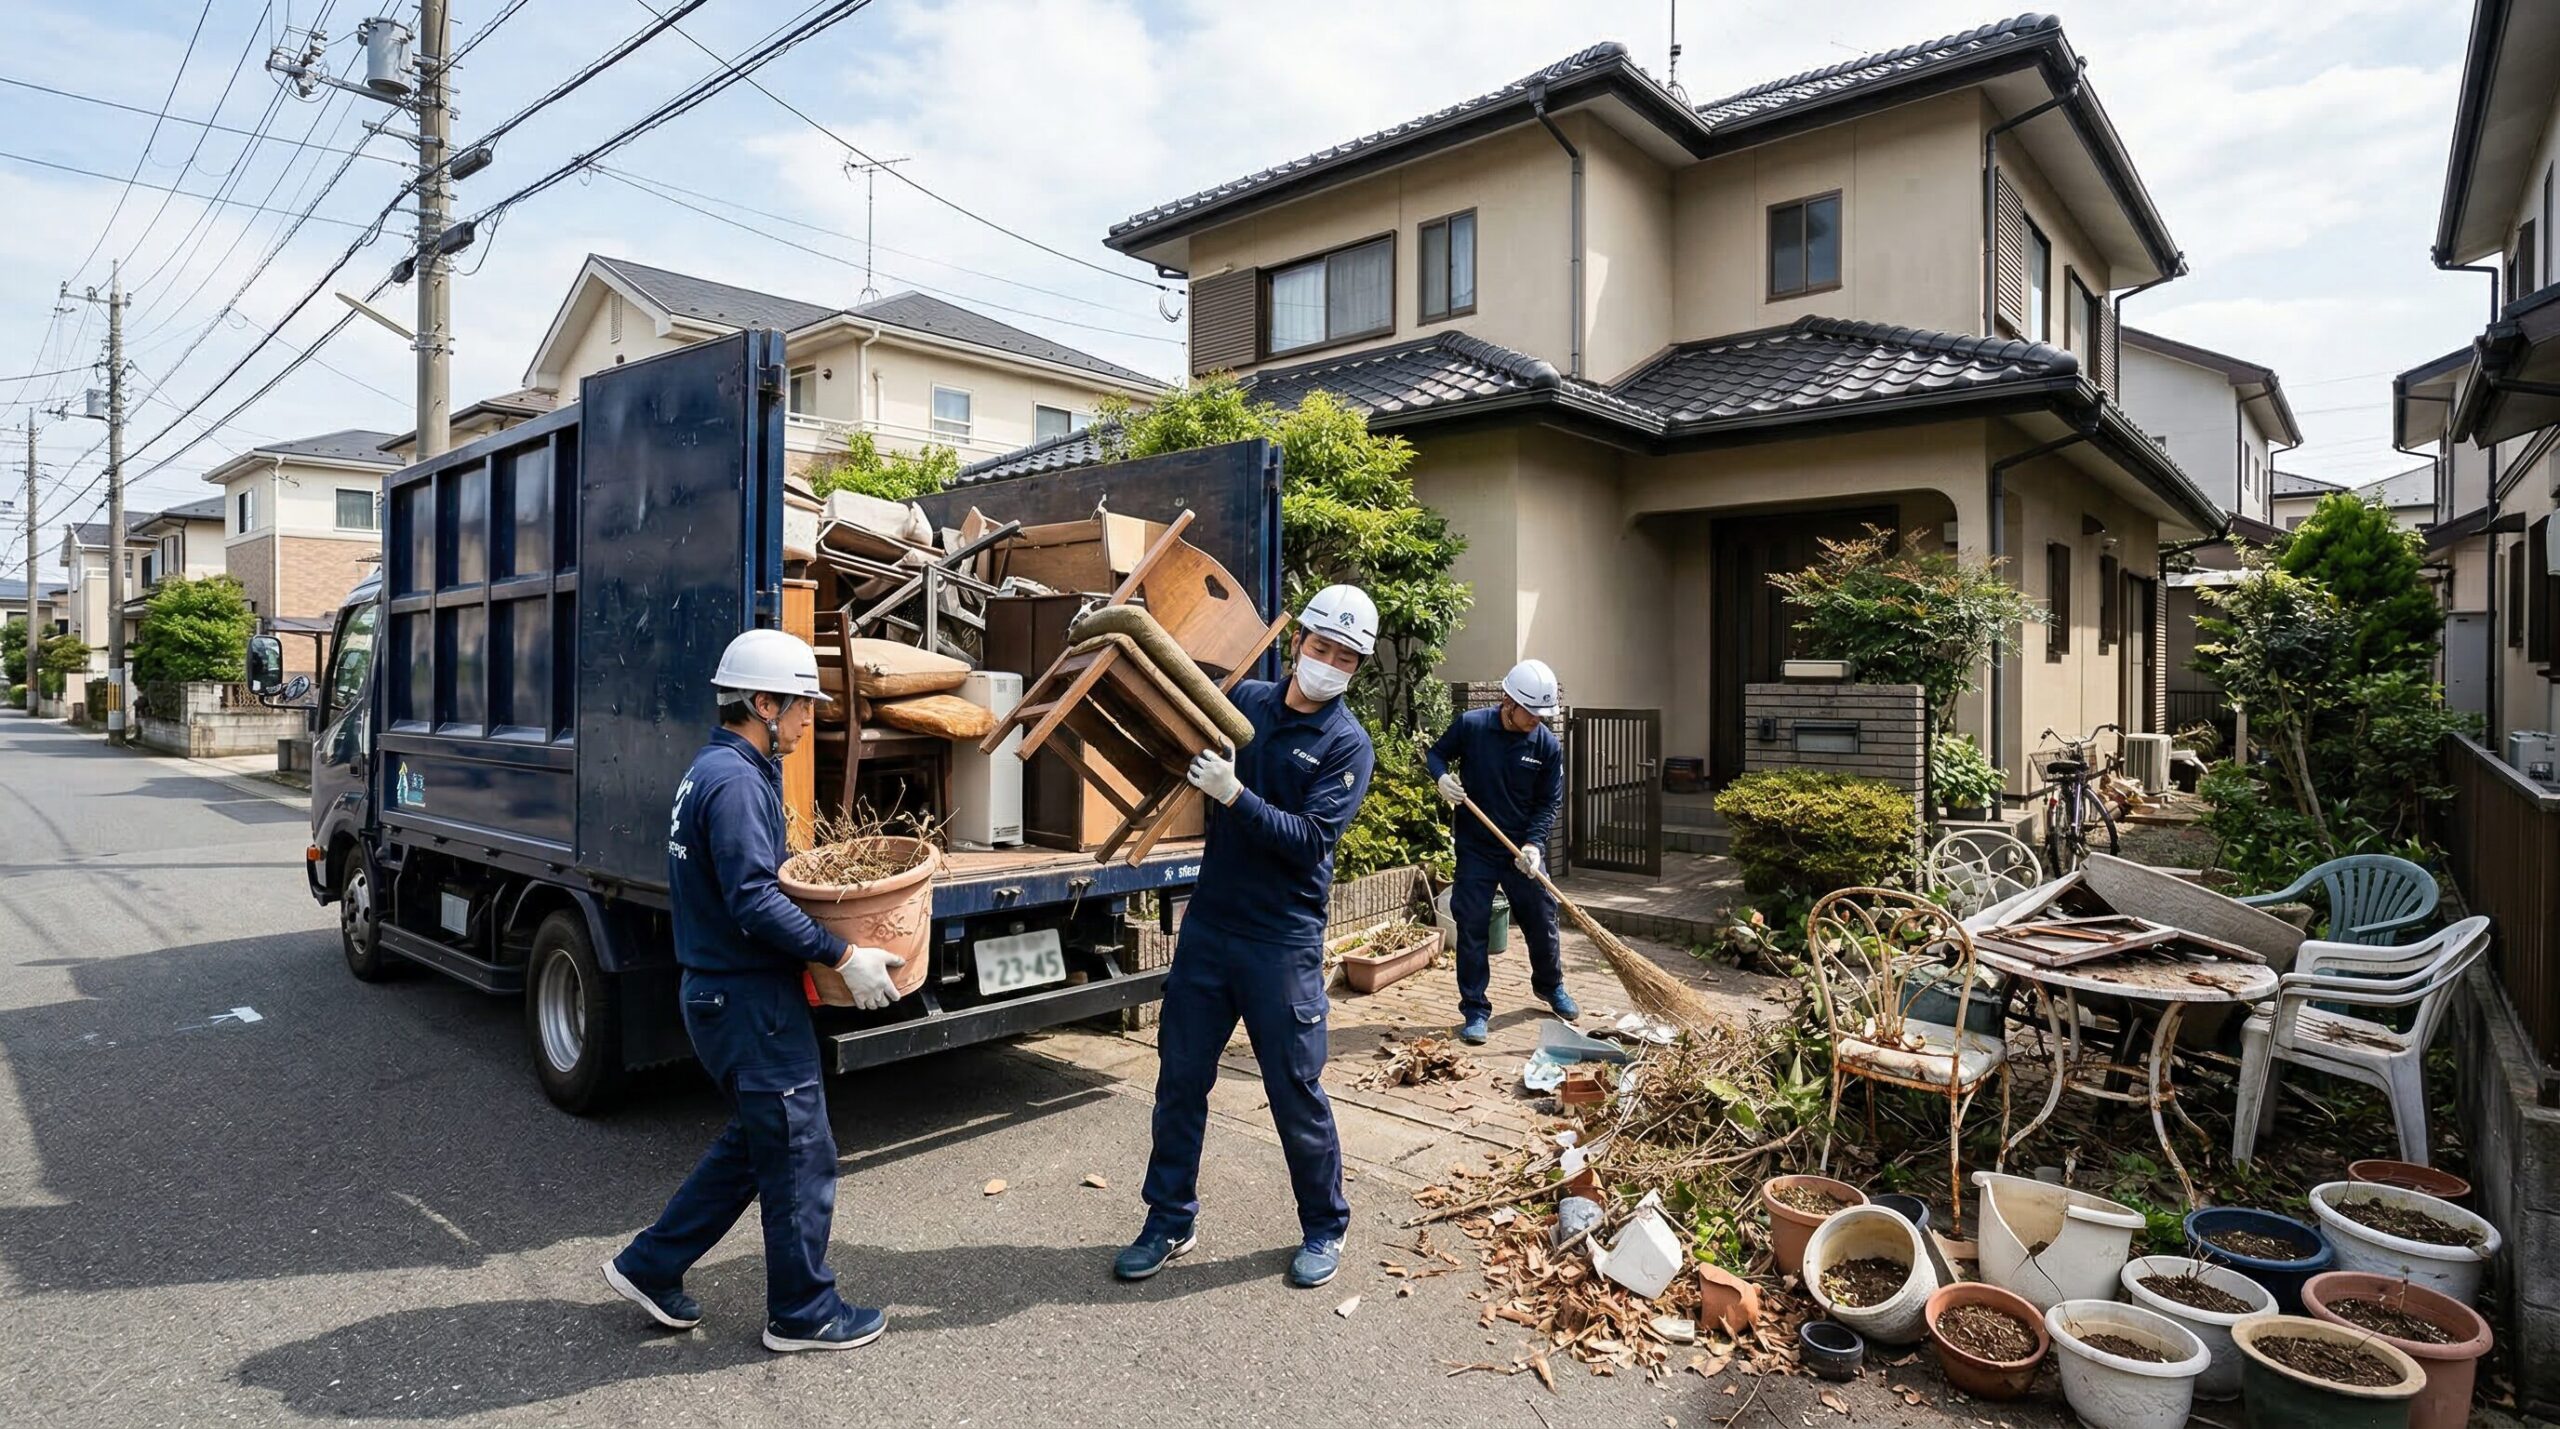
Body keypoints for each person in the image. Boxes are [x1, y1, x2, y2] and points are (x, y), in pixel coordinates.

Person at [605, 629, 905, 1354]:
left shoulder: (718, 768)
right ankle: (803, 1312)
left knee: (759, 1142)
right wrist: (843, 951)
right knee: (801, 1147)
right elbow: (751, 899)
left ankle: (651, 1263)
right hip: (747, 1001)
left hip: (722, 994)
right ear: (764, 703)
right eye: (801, 706)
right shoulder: (737, 781)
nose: (809, 721)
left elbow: (755, 876)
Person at [1113, 584, 1379, 1291]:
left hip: (1281, 940)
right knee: (1179, 1079)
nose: (1328, 664)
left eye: (1345, 658)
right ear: (1299, 643)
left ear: (1356, 669)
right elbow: (1177, 701)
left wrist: (1236, 794)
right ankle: (1169, 1217)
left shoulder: (1348, 744)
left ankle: (1325, 1224)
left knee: (1295, 1088)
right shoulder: (1250, 706)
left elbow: (1310, 840)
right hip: (1211, 926)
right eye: (1321, 647)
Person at [1427, 658, 1572, 1045]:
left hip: (1520, 852)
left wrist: (1534, 845)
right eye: (1531, 712)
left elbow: (1548, 802)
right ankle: (1474, 1009)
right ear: (1507, 701)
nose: (1536, 720)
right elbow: (1436, 754)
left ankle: (1550, 984)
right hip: (1476, 848)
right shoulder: (1472, 726)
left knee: (1541, 919)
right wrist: (1442, 777)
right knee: (1472, 924)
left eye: (1543, 714)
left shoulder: (1547, 745)